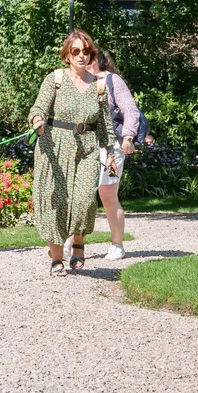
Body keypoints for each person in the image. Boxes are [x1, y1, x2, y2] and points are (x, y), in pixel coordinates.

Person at [28, 29, 114, 275]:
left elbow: (105, 123)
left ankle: (78, 241)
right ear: (67, 55)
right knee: (56, 203)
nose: (81, 56)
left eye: (86, 52)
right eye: (76, 51)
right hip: (53, 147)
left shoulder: (98, 86)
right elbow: (39, 107)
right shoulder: (55, 79)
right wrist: (37, 120)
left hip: (86, 148)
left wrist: (109, 153)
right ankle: (56, 259)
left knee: (85, 200)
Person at [71, 49, 153, 261]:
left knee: (107, 195)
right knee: (79, 194)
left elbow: (131, 110)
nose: (83, 60)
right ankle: (72, 242)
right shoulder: (78, 82)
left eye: (88, 57)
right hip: (84, 145)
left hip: (111, 145)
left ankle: (117, 244)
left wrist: (127, 137)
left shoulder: (112, 80)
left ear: (97, 61)